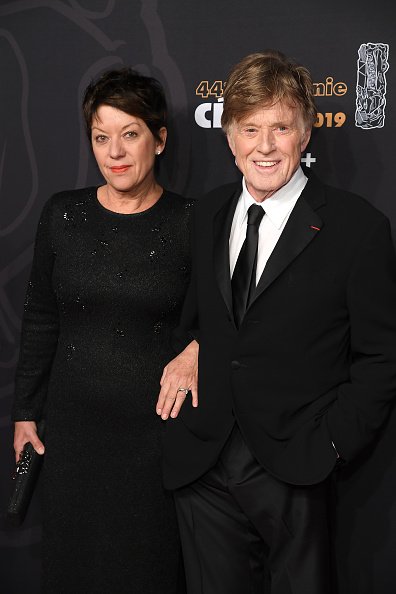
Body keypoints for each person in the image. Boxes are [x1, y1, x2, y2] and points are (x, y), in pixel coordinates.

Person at [156, 50, 396, 593]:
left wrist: (332, 444)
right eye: (250, 128)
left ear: (305, 133)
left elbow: (381, 357)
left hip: (296, 464)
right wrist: (194, 348)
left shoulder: (358, 228)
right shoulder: (208, 214)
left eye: (281, 128)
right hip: (203, 463)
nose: (265, 146)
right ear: (230, 137)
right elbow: (199, 318)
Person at [12, 67, 193, 593]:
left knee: (148, 573)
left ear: (159, 140)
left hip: (154, 442)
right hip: (71, 438)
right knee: (74, 572)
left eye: (130, 134)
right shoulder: (63, 214)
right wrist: (26, 411)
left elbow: (221, 317)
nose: (114, 151)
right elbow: (41, 317)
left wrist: (199, 349)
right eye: (101, 136)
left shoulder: (191, 221)